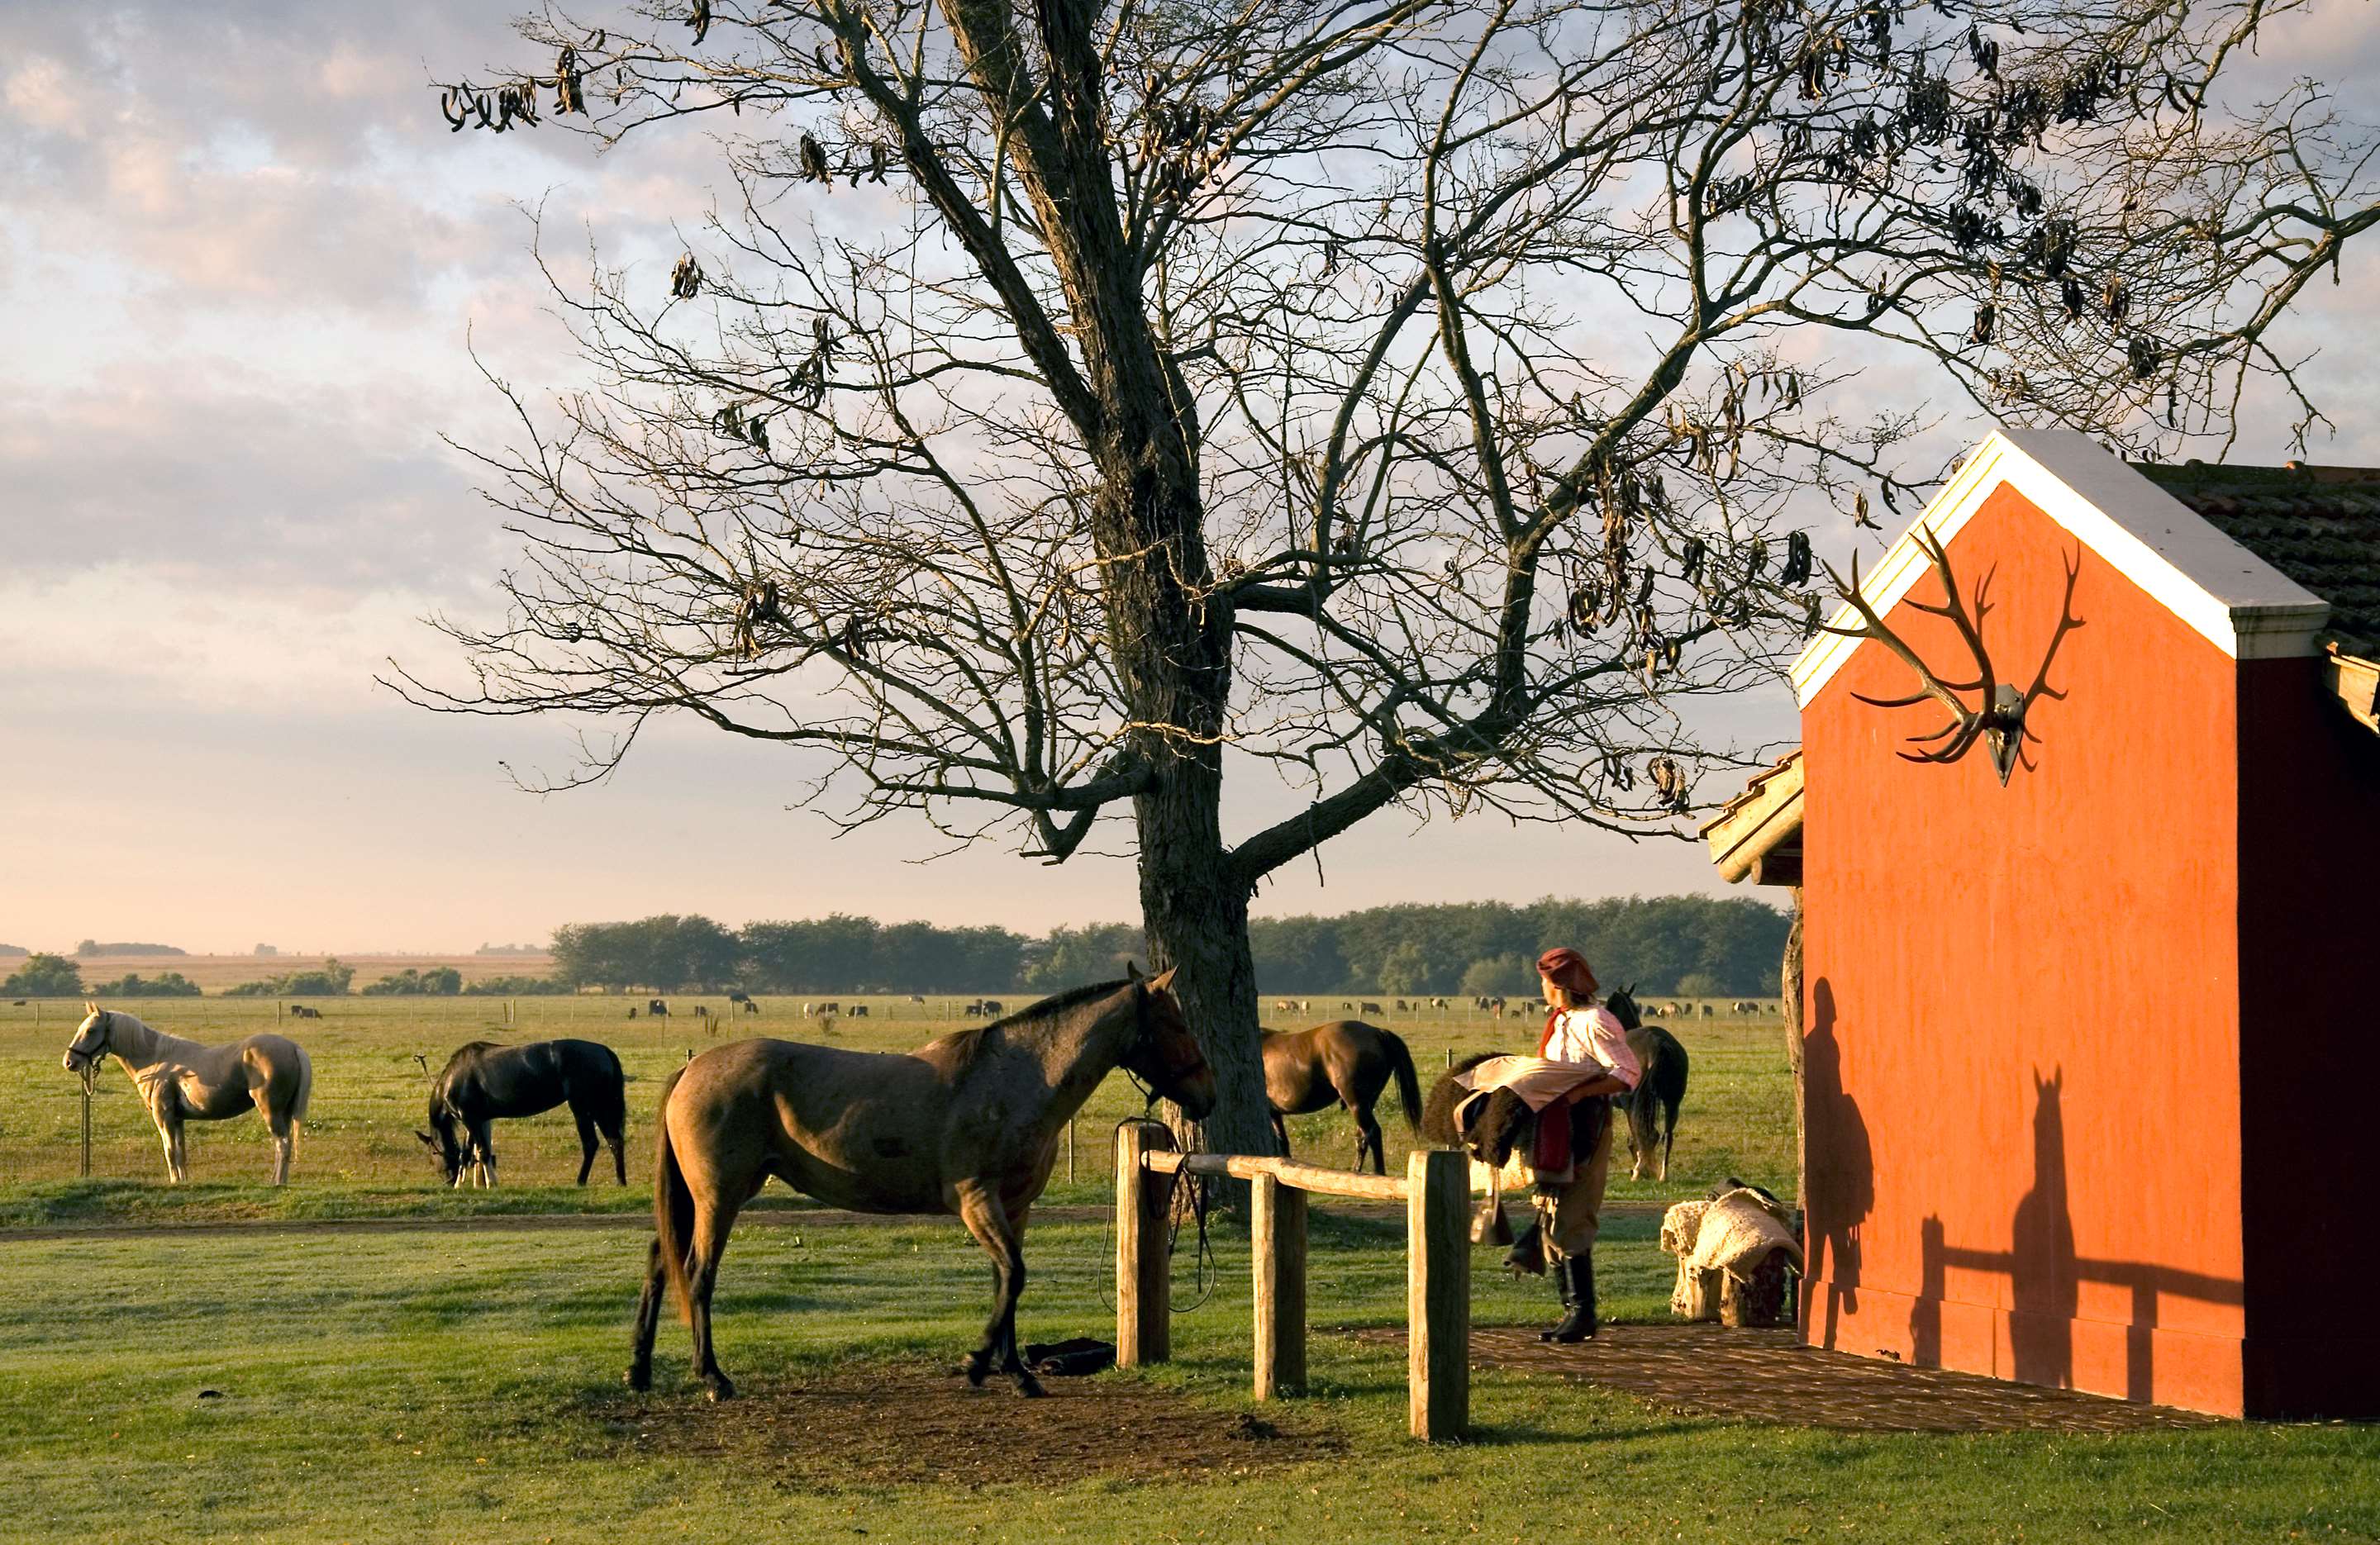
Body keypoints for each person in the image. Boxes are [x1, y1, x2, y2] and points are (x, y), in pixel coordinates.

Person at [1527, 946, 1640, 1342]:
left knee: (1574, 1216)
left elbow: (1627, 1073)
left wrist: (1577, 1096)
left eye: (1544, 979)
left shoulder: (1597, 1021)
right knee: (1553, 1215)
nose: (1541, 986)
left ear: (1557, 984)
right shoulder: (1559, 1021)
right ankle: (1569, 1313)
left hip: (1586, 1128)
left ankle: (1584, 1314)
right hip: (1555, 1128)